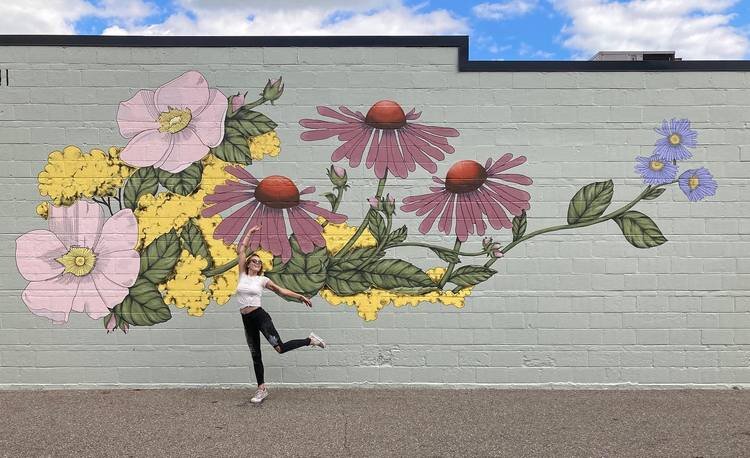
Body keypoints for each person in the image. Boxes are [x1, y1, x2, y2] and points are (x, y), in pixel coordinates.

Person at [236, 224, 326, 404]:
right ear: (248, 263)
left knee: (280, 348)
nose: (257, 263)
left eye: (259, 262)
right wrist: (250, 233)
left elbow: (281, 291)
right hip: (246, 319)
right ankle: (261, 389)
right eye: (254, 260)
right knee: (255, 354)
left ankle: (310, 340)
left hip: (260, 317)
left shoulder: (262, 280)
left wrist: (300, 296)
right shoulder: (242, 276)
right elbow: (241, 249)